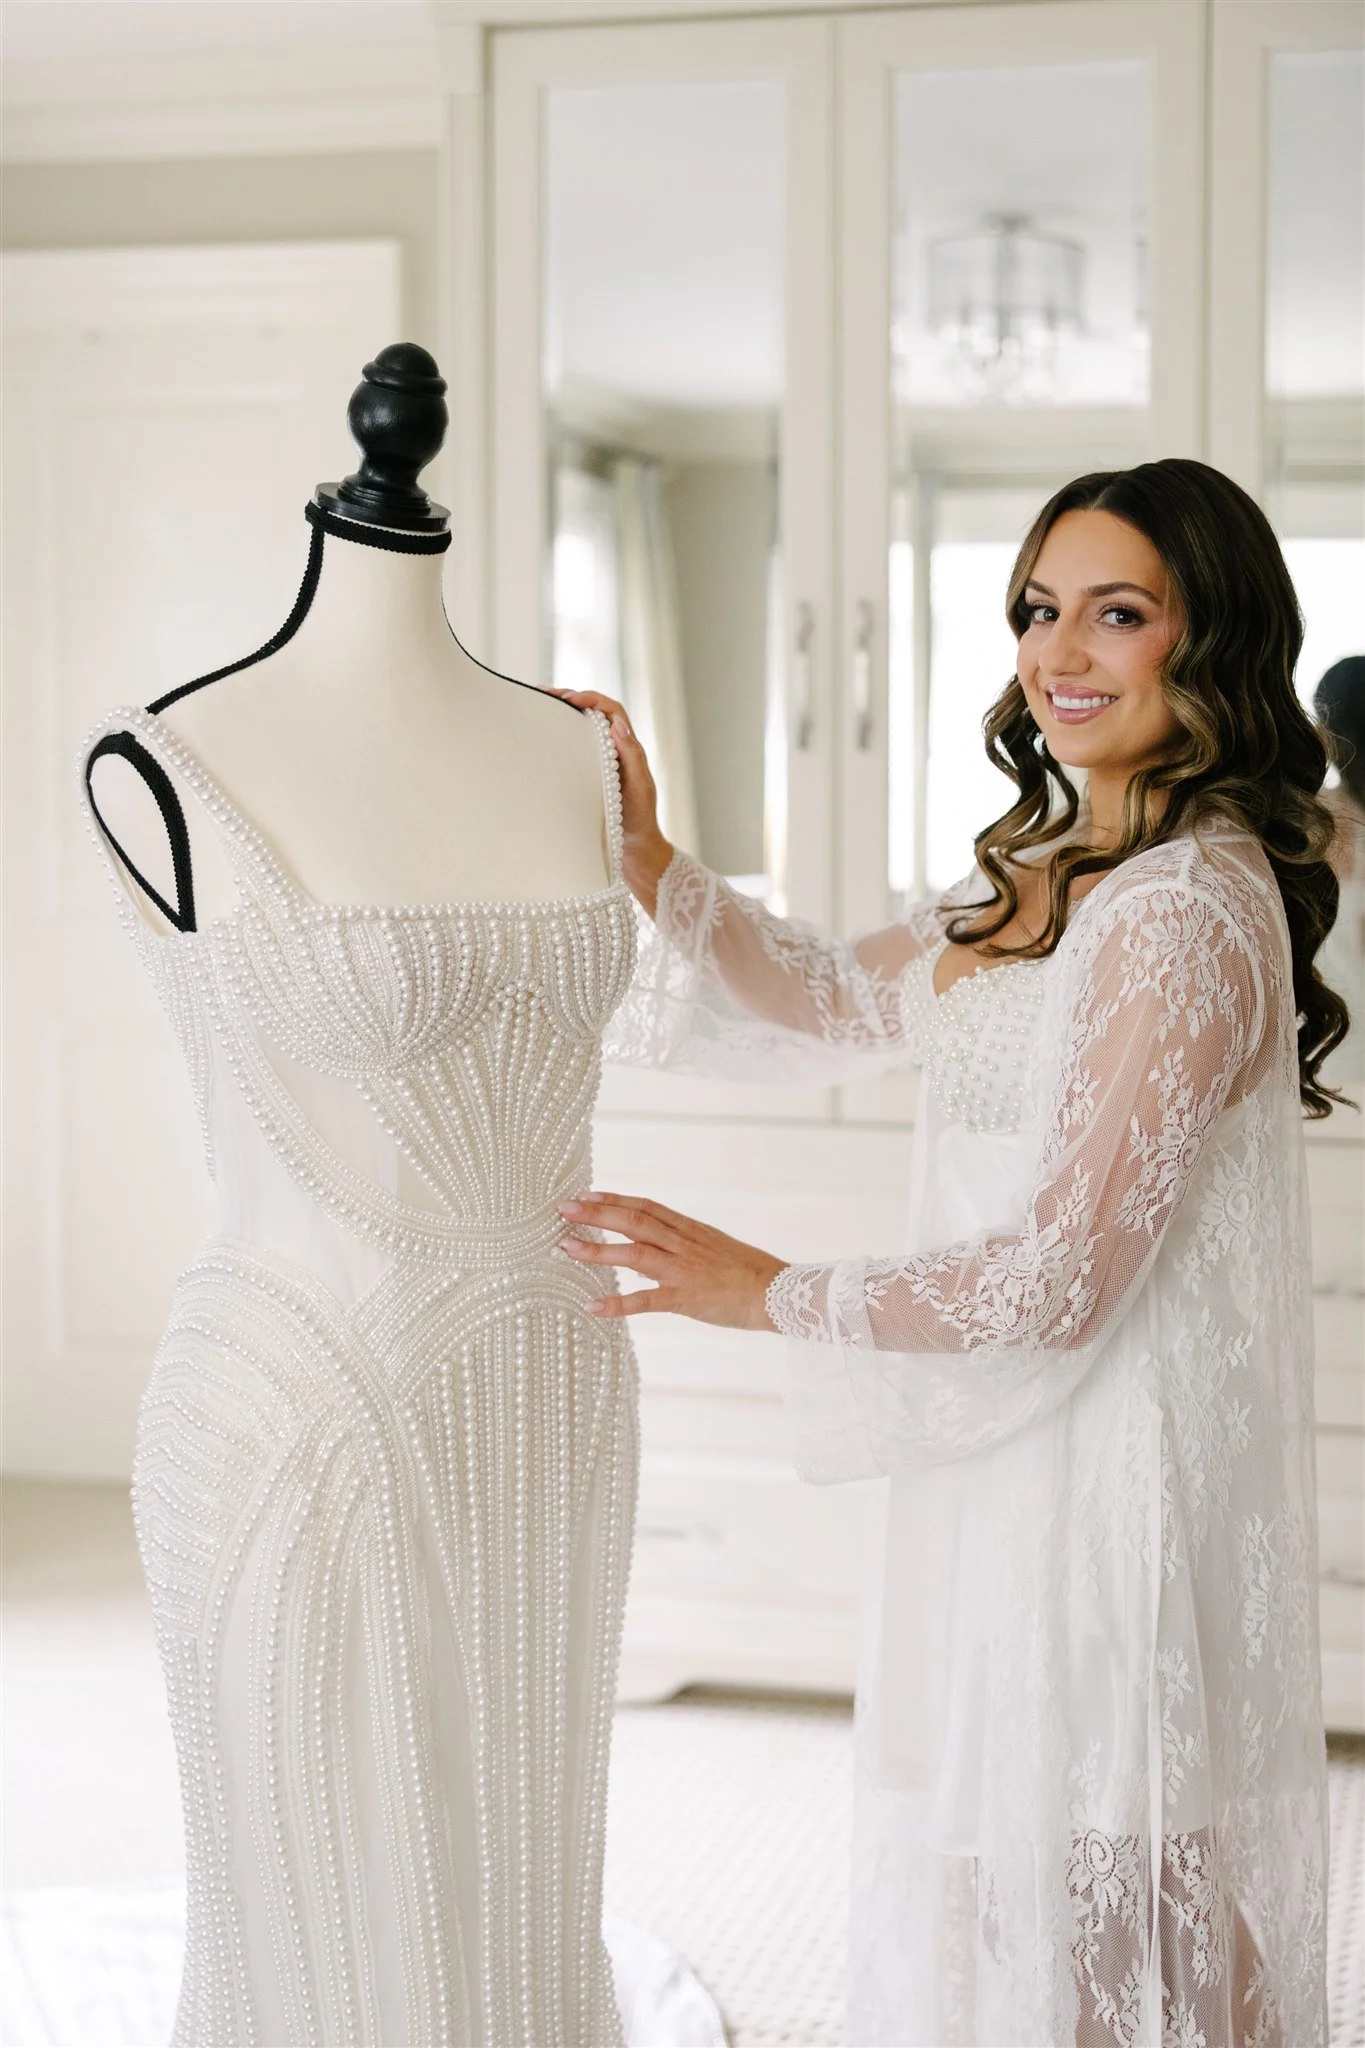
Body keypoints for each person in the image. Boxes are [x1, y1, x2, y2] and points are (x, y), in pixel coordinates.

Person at [556, 459, 1345, 2047]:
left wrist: (762, 1290)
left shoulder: (1186, 910)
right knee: (1025, 1875)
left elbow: (1063, 1278)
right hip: (1011, 1453)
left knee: (1120, 1892)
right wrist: (651, 857)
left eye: (1116, 613)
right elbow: (830, 997)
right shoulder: (1056, 866)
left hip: (1112, 1458)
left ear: (1215, 640)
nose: (1060, 652)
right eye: (1040, 611)